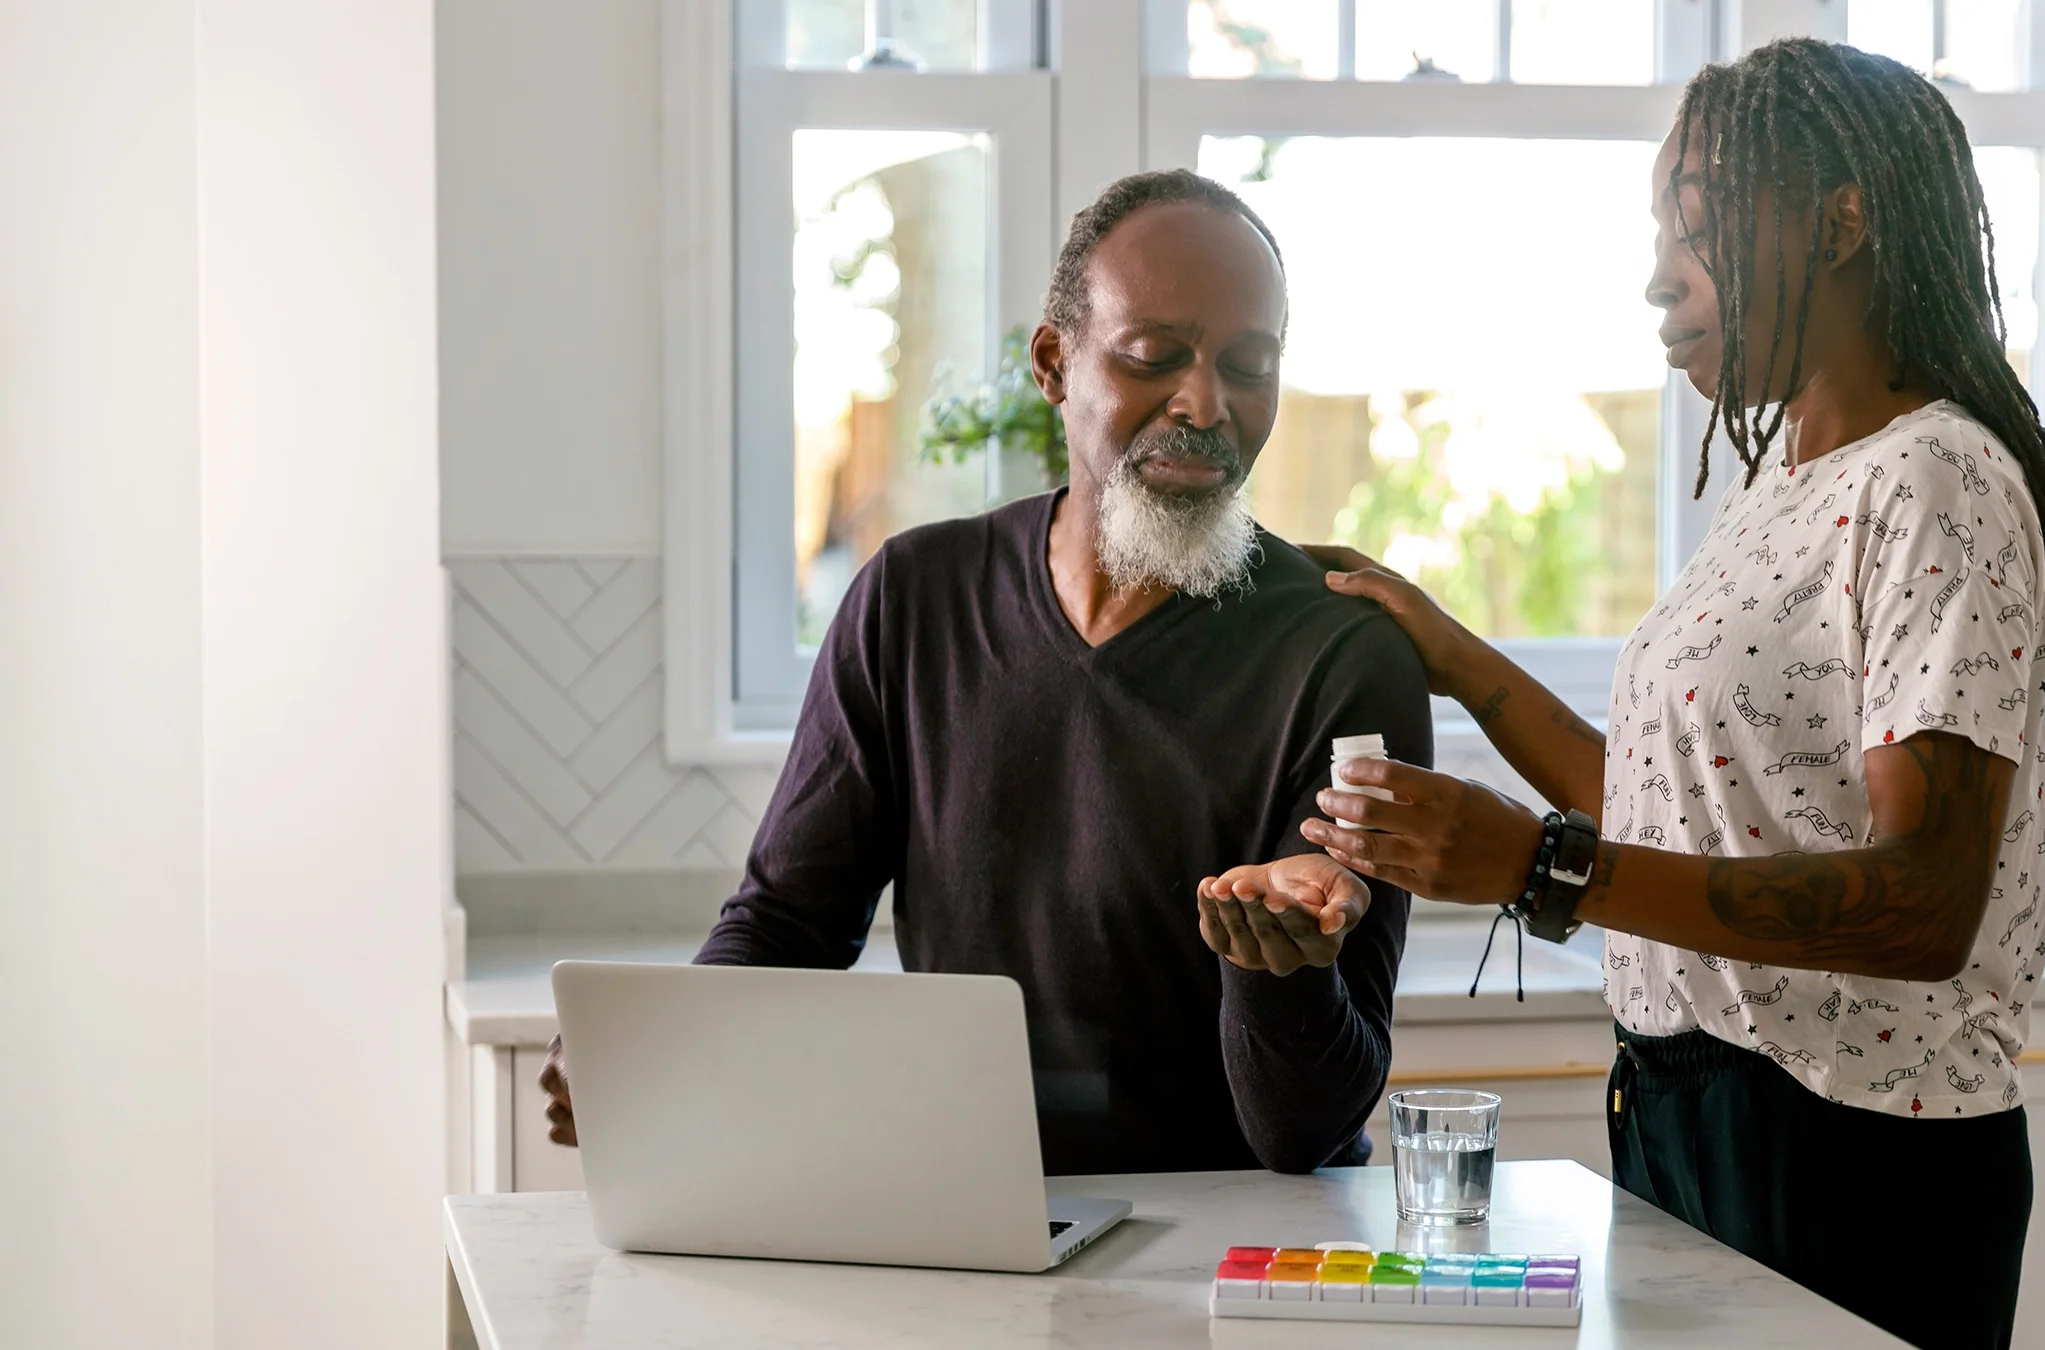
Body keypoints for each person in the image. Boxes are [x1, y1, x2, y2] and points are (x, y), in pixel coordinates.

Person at [1298, 39, 2045, 1350]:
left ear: (1841, 220)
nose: (1660, 274)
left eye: (1701, 228)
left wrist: (1544, 869)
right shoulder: (1786, 475)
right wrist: (1459, 656)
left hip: (1851, 1153)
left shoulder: (1934, 479)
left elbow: (1925, 901)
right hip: (1687, 1111)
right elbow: (1696, 808)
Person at [540, 169, 1433, 1178]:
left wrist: (1280, 972)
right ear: (1054, 364)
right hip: (983, 1211)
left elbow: (1304, 1133)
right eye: (1154, 356)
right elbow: (791, 922)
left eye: (1248, 363)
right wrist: (666, 1049)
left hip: (1253, 1252)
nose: (1205, 402)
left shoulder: (1343, 656)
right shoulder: (912, 600)